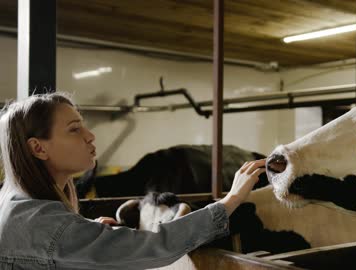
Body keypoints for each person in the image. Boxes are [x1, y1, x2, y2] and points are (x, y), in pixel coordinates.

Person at [0, 92, 266, 269]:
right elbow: (154, 245)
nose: (90, 135)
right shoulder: (44, 223)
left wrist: (88, 231)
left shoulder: (15, 203)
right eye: (74, 129)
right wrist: (230, 201)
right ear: (38, 148)